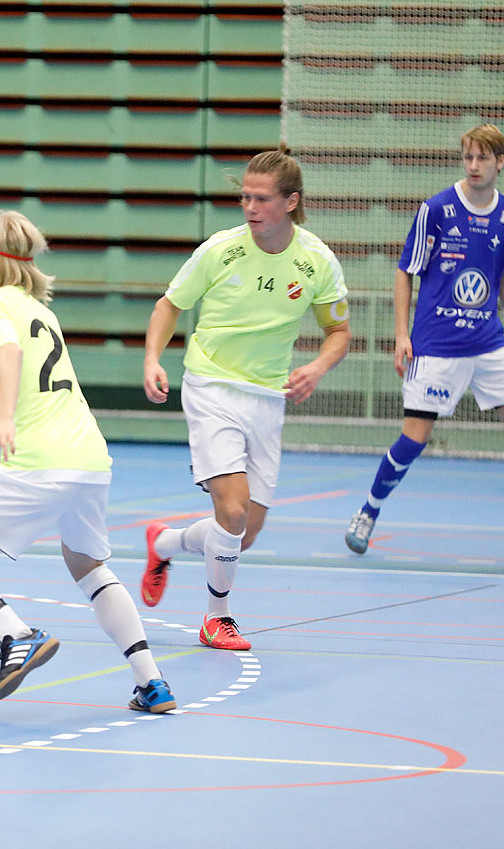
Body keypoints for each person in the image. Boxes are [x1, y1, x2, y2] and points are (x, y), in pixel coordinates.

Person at [0, 210, 177, 712]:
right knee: (89, 567)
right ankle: (151, 681)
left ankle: (14, 634)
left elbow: (9, 358)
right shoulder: (39, 312)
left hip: (41, 463)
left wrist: (4, 420)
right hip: (89, 459)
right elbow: (28, 402)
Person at [139, 148, 351, 651]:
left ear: (291, 202)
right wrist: (152, 358)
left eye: (261, 199)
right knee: (231, 514)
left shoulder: (316, 260)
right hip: (211, 386)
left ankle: (164, 542)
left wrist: (317, 367)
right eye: (244, 197)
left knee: (241, 533)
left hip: (267, 398)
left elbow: (339, 330)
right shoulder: (220, 250)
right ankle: (217, 618)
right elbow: (169, 305)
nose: (249, 207)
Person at [343, 125, 504, 565]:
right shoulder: (437, 209)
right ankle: (366, 513)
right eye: (468, 157)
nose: (473, 166)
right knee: (414, 438)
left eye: (482, 159)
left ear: (500, 162)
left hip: (488, 343)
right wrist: (401, 334)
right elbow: (404, 270)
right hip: (436, 345)